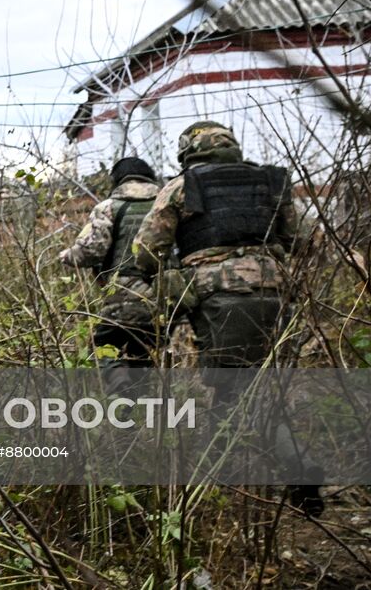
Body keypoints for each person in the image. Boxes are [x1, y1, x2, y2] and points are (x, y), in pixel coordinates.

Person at [131, 120, 323, 515]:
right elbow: (305, 239)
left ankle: (236, 482)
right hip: (273, 295)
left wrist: (173, 279)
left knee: (232, 391)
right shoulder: (271, 181)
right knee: (246, 387)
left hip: (217, 301)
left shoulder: (185, 185)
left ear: (188, 151)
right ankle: (245, 478)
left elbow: (146, 250)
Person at [58, 156, 166, 394]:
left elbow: (92, 251)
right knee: (145, 353)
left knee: (103, 345)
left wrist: (66, 255)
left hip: (121, 293)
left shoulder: (108, 207)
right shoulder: (166, 205)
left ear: (118, 180)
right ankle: (139, 412)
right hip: (161, 295)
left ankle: (118, 377)